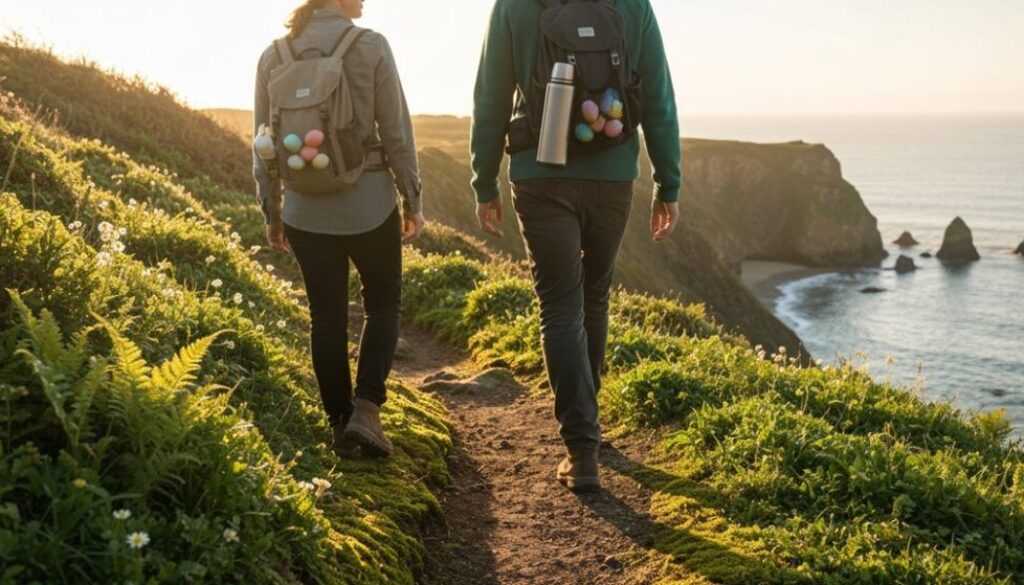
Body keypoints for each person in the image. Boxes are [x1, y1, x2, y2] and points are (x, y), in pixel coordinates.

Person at [471, 0, 681, 491]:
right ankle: (589, 427)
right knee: (594, 297)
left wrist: (484, 182)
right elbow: (659, 98)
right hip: (612, 175)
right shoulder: (632, 5)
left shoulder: (514, 6)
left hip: (540, 175)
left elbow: (491, 97)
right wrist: (667, 183)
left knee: (561, 305)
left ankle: (581, 447)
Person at [253, 0, 425, 458]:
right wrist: (412, 198)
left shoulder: (274, 55)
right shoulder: (370, 46)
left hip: (305, 210)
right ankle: (366, 410)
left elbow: (263, 144)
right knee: (383, 302)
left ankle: (338, 424)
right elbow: (396, 133)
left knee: (325, 316)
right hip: (369, 203)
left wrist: (271, 211)